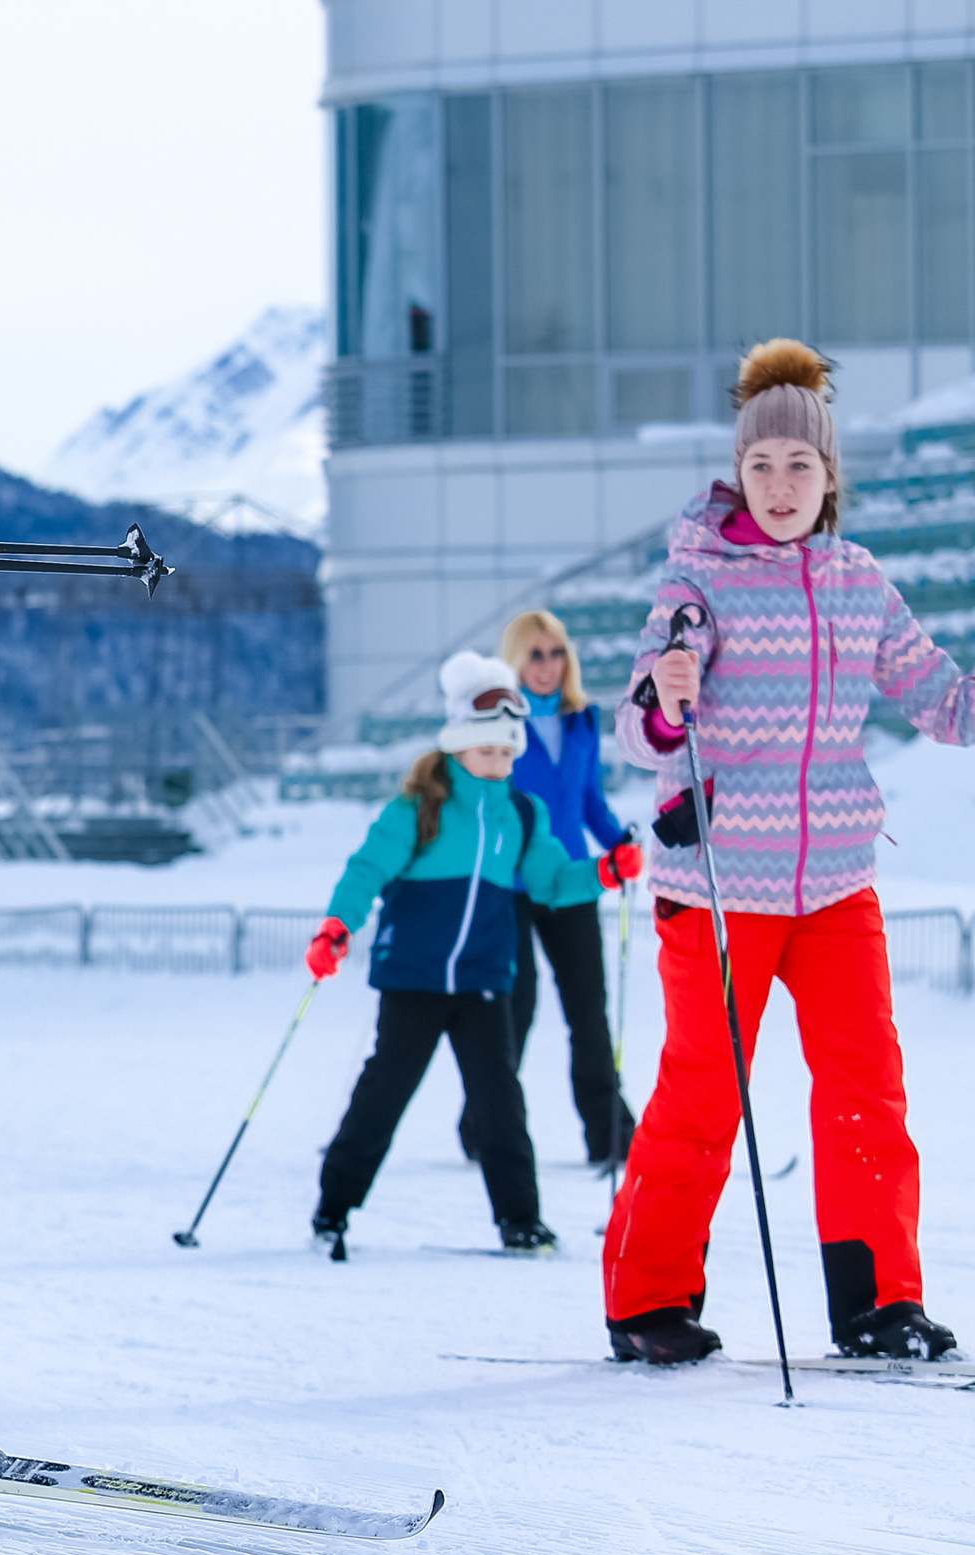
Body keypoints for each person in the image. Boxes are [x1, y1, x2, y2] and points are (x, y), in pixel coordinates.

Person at [603, 338, 975, 1367]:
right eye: (759, 466)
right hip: (719, 886)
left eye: (797, 466)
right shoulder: (695, 585)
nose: (777, 485)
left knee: (867, 1088)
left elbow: (940, 694)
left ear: (827, 476)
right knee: (702, 1094)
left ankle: (878, 1302)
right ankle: (647, 1299)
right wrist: (662, 697)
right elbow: (638, 731)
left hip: (835, 884)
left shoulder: (858, 582)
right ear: (737, 470)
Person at [305, 652, 639, 1257]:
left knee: (500, 1102)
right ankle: (334, 1206)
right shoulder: (420, 808)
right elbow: (367, 870)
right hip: (414, 978)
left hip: (486, 980)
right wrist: (337, 926)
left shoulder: (520, 813)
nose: (499, 764)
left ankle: (521, 1219)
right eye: (487, 752)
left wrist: (606, 871)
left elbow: (553, 884)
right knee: (384, 1093)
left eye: (508, 754)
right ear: (459, 745)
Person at [457, 610, 634, 1170]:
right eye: (535, 654)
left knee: (589, 1010)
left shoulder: (582, 719)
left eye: (557, 653)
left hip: (572, 881)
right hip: (509, 882)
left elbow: (586, 801)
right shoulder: (498, 721)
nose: (548, 665)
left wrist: (616, 843)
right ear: (514, 660)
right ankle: (486, 1122)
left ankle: (610, 1133)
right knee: (518, 1008)